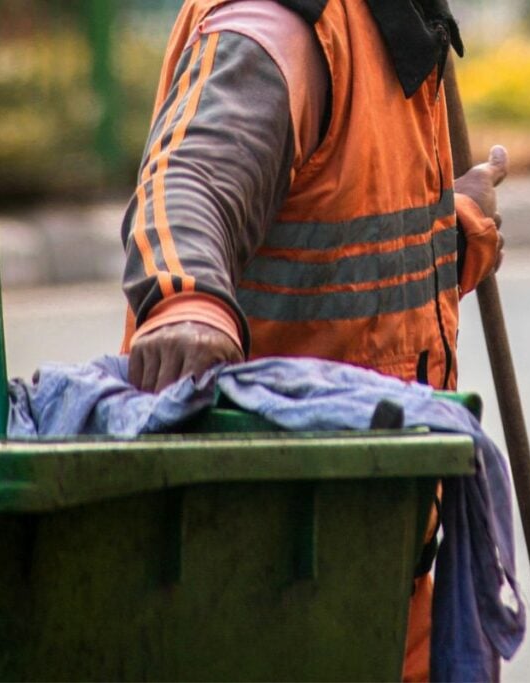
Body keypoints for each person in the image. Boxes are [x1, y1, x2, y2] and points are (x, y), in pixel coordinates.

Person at [118, 0, 506, 679]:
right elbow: (193, 178)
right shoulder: (287, 20)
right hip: (267, 578)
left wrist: (457, 223)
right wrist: (188, 302)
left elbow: (353, 263)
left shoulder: (405, 27)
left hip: (375, 573)